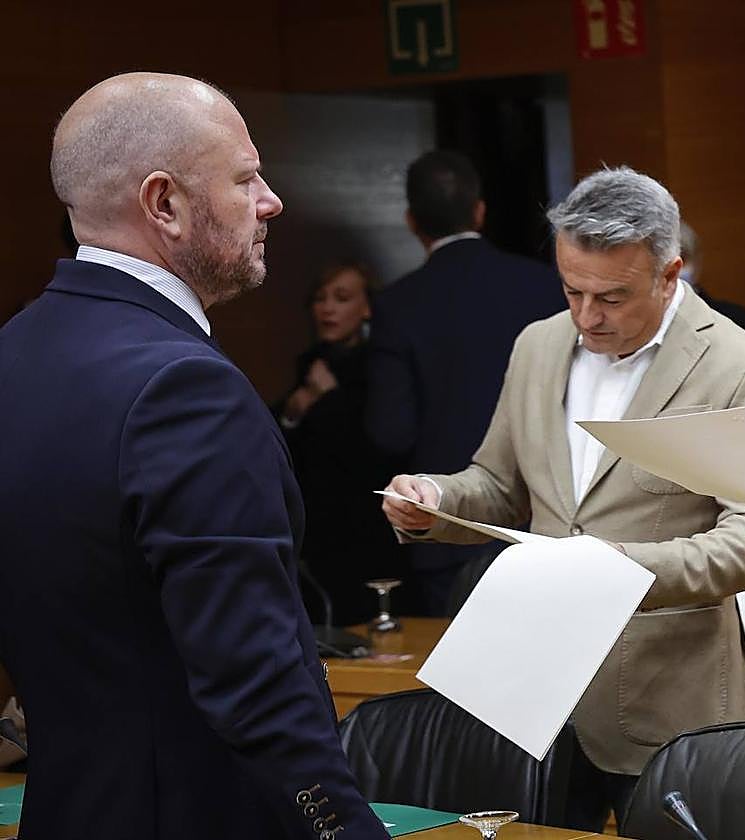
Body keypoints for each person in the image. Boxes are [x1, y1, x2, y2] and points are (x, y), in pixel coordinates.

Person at [0, 73, 389, 840]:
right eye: (246, 178)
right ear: (164, 204)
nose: (270, 201)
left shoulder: (13, 354)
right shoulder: (185, 388)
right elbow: (255, 684)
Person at [382, 166, 745, 832]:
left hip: (666, 702)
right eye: (572, 290)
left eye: (612, 297)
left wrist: (616, 569)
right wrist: (435, 499)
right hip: (534, 693)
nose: (587, 316)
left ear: (670, 274)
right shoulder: (539, 344)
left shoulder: (740, 366)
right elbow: (499, 485)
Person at [367, 149, 564, 616]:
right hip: (546, 524)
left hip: (445, 532)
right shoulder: (543, 284)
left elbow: (390, 430)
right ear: (480, 210)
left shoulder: (399, 304)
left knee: (460, 686)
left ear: (412, 221)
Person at [279, 264, 397, 626]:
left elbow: (373, 447)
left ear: (366, 307)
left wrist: (327, 398)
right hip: (318, 521)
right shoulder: (310, 363)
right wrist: (295, 411)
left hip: (368, 520)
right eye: (320, 299)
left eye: (342, 298)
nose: (327, 308)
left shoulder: (382, 364)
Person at [678, 220, 745, 334]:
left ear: (696, 264)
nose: (673, 268)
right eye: (665, 261)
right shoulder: (646, 320)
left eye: (682, 258)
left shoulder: (736, 320)